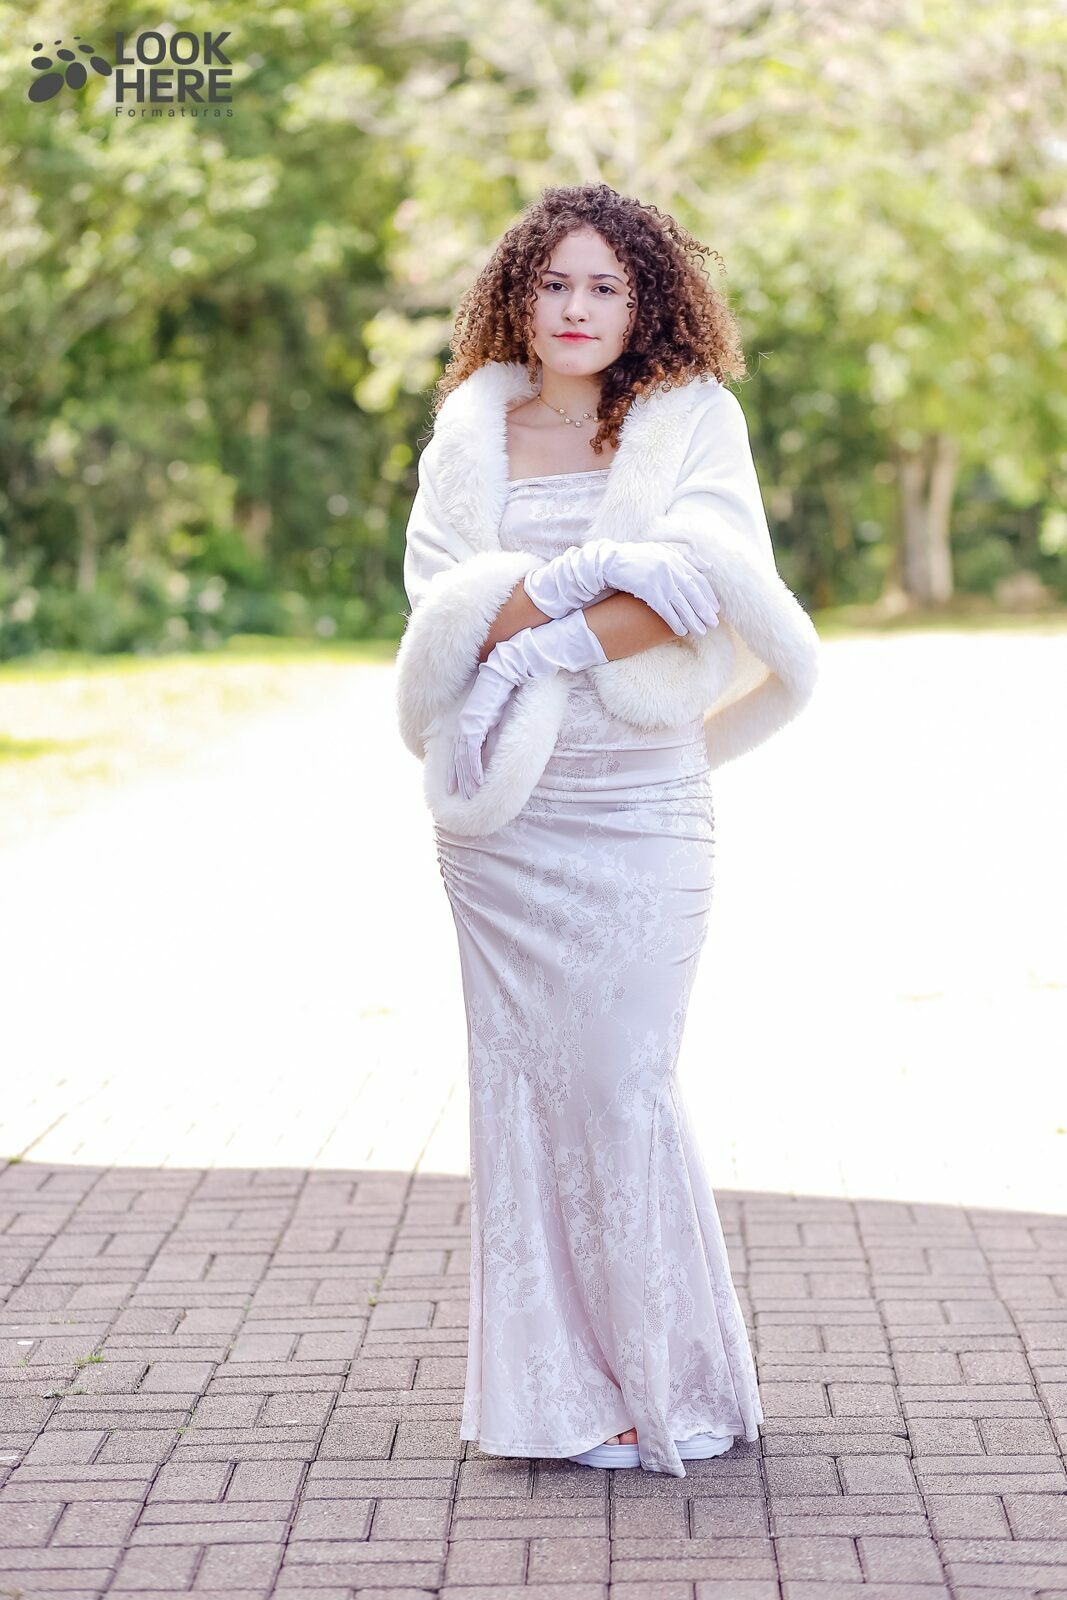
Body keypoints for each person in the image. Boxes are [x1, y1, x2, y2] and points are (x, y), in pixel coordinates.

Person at [394, 182, 820, 1477]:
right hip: (505, 823)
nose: (576, 309)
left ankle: (665, 1380)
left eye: (606, 287)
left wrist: (543, 634)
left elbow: (702, 594)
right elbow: (443, 612)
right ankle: (559, 1399)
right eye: (555, 283)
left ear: (646, 304)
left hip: (641, 798)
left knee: (624, 1079)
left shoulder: (691, 420)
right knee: (523, 1088)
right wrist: (583, 580)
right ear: (517, 297)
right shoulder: (470, 431)